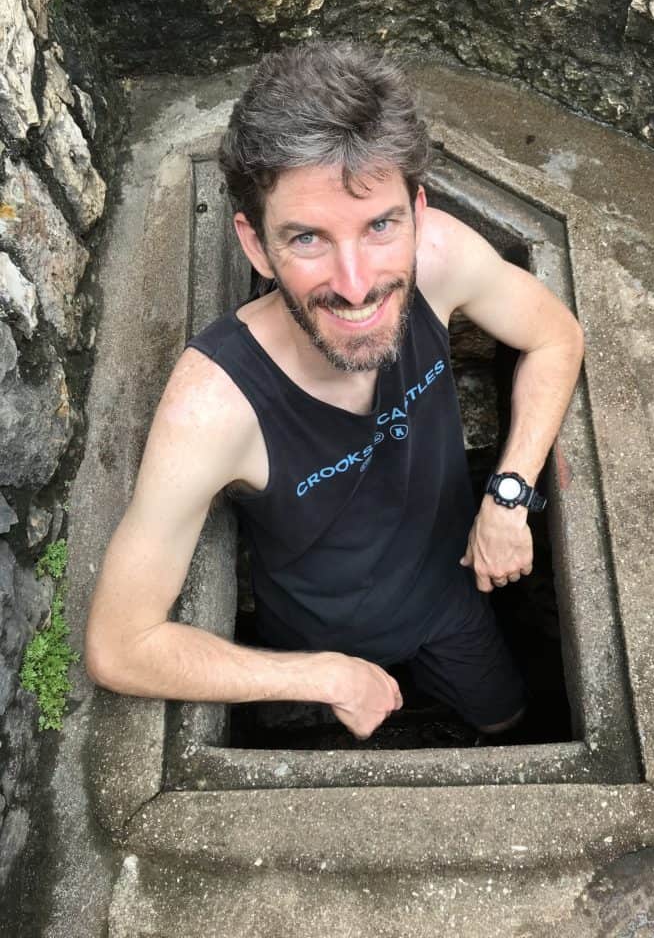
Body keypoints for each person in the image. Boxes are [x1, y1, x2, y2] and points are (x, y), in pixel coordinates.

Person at [85, 42, 584, 741]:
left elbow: (556, 336)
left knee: (508, 719)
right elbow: (120, 643)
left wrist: (509, 493)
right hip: (307, 639)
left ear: (416, 211)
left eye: (380, 225)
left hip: (450, 596)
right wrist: (321, 675)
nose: (355, 285)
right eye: (308, 239)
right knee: (307, 745)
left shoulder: (438, 258)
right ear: (256, 246)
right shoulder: (214, 405)